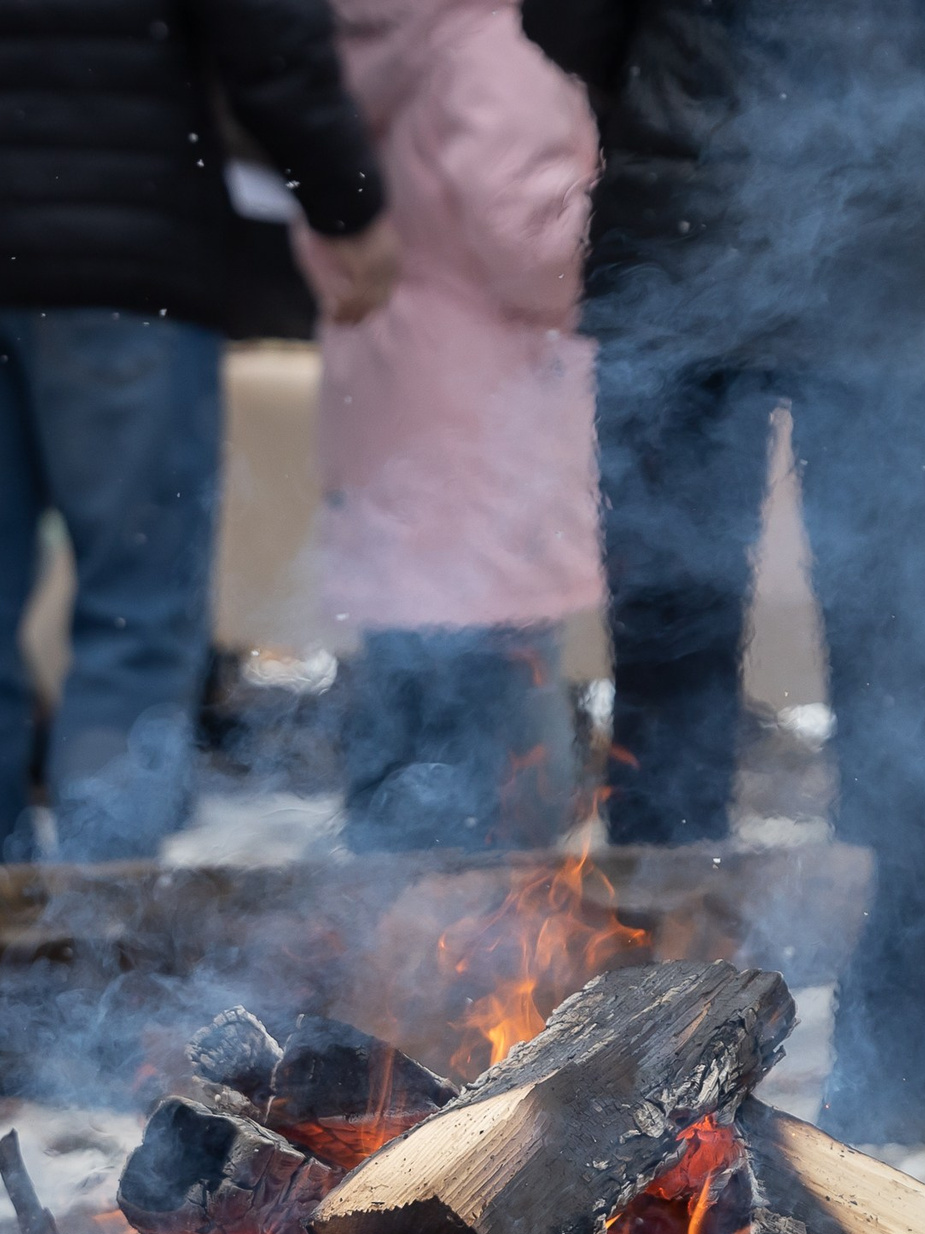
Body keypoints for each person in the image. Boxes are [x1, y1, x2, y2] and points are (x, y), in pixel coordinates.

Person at [521, 0, 925, 1145]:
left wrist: (675, 85)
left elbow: (565, 17)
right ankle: (898, 1071)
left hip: (691, 229)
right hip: (898, 248)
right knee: (900, 681)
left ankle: (653, 1064)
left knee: (672, 679)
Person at [0, 0, 393, 866]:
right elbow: (268, 35)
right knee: (134, 615)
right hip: (124, 257)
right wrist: (347, 203)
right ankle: (100, 917)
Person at [298, 0, 599, 853]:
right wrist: (615, 211)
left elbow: (324, 220)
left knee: (402, 718)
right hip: (483, 431)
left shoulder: (344, 54)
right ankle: (500, 927)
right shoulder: (494, 46)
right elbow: (535, 247)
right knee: (507, 752)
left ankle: (381, 919)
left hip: (385, 403)